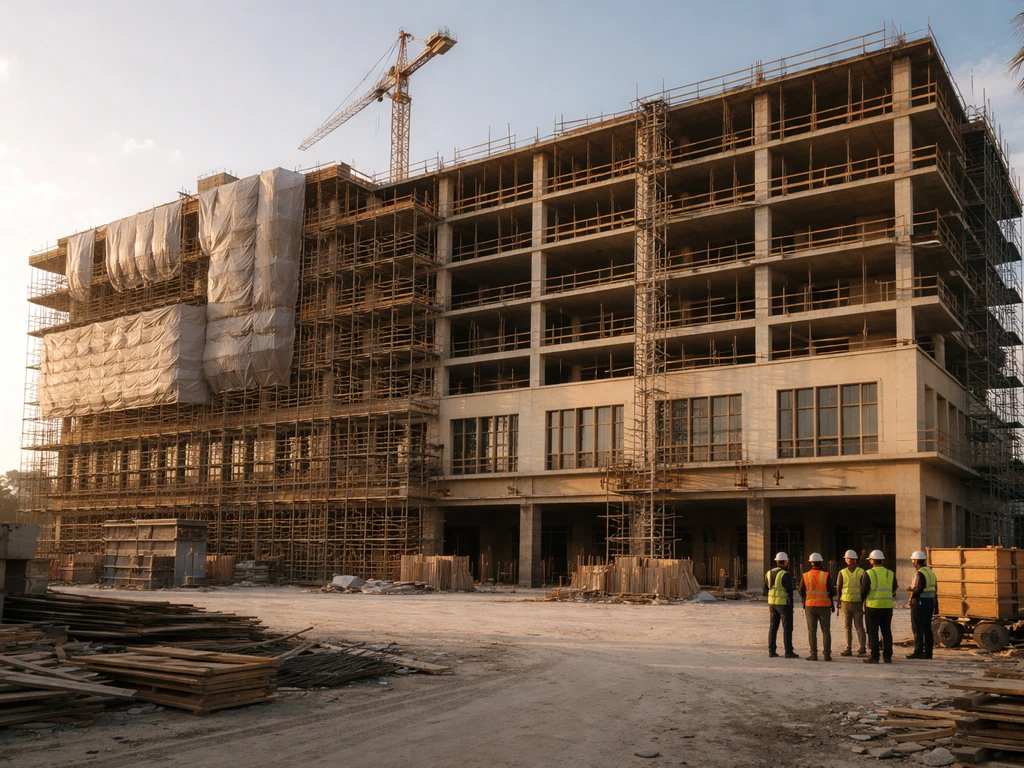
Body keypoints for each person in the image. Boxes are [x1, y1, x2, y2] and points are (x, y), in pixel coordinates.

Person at [860, 549, 898, 664]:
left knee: (873, 632)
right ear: (882, 560)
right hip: (887, 606)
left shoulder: (868, 573)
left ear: (872, 561)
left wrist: (862, 602)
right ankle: (887, 656)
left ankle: (875, 657)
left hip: (872, 606)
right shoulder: (890, 573)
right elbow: (894, 587)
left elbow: (863, 590)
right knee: (886, 632)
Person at [798, 552, 835, 661]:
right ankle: (827, 655)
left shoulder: (805, 575)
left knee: (812, 631)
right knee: (826, 630)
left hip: (810, 606)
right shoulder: (826, 575)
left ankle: (813, 654)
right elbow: (832, 591)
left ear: (811, 563)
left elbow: (800, 591)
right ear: (821, 562)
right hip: (824, 606)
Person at [765, 551, 798, 658]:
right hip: (784, 604)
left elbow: (767, 587)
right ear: (785, 562)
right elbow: (789, 590)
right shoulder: (785, 574)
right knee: (787, 628)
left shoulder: (768, 573)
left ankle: (772, 650)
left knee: (773, 627)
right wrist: (791, 604)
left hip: (772, 603)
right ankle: (788, 651)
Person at [906, 550, 938, 660]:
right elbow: (934, 589)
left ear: (915, 561)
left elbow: (919, 588)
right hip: (930, 602)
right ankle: (928, 653)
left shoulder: (920, 573)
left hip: (920, 603)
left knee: (917, 628)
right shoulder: (930, 572)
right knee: (927, 629)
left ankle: (918, 651)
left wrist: (911, 592)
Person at [836, 549, 867, 657]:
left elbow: (839, 587)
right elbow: (864, 588)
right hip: (857, 602)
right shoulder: (861, 572)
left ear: (847, 560)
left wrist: (838, 601)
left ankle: (848, 648)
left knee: (847, 626)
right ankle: (862, 648)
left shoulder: (842, 572)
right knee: (859, 626)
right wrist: (862, 600)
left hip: (845, 602)